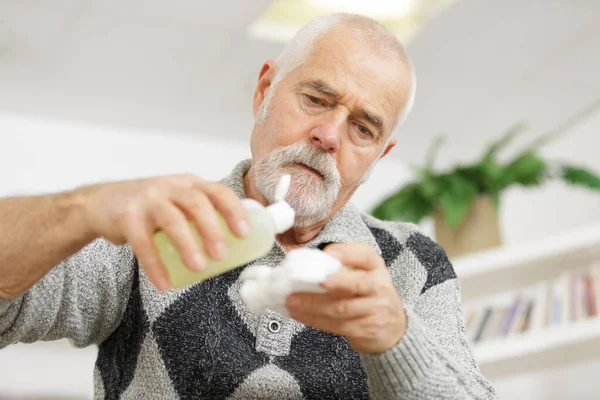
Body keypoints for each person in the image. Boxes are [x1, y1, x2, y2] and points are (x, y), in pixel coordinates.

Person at [0, 13, 496, 399]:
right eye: (316, 100)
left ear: (378, 157)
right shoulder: (157, 225)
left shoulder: (412, 267)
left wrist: (395, 334)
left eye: (362, 129)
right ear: (264, 91)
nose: (328, 136)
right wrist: (84, 208)